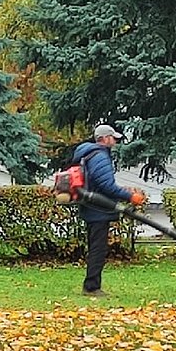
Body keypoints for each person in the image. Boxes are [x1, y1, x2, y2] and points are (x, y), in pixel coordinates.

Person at [70, 123, 146, 297]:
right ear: (104, 139)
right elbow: (106, 185)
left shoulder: (87, 154)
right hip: (98, 209)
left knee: (95, 246)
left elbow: (100, 183)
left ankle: (91, 284)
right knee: (98, 248)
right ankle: (91, 287)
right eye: (113, 138)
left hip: (90, 206)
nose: (115, 142)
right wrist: (129, 196)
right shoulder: (100, 156)